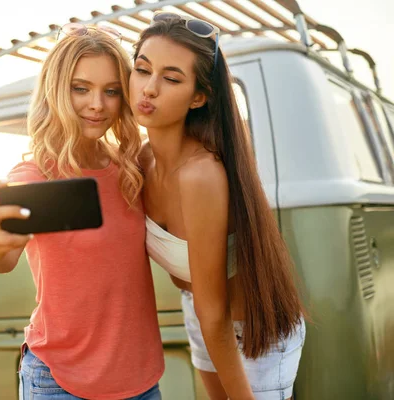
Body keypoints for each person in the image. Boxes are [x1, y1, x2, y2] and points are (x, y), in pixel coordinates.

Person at [0, 24, 164, 400]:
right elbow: (1, 257)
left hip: (140, 379)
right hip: (61, 381)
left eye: (111, 91)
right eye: (81, 88)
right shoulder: (34, 175)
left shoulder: (131, 168)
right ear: (57, 90)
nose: (97, 104)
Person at [130, 12, 307, 400]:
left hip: (251, 327)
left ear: (199, 96)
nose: (149, 88)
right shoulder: (141, 161)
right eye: (142, 69)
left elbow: (217, 315)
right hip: (200, 312)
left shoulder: (201, 175)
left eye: (171, 78)